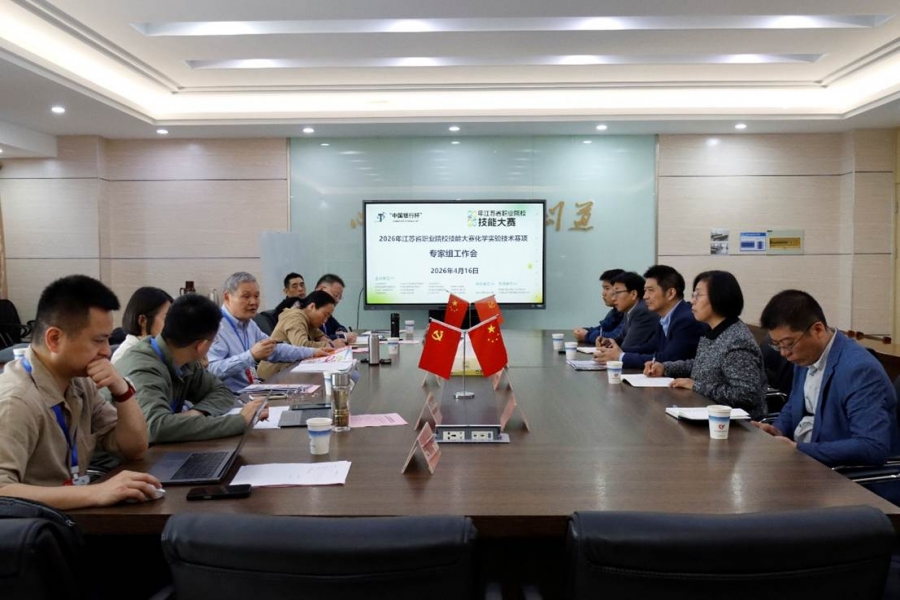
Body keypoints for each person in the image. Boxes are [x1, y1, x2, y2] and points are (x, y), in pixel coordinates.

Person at [0, 275, 159, 509]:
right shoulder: (16, 401)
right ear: (54, 339)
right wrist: (95, 492)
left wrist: (122, 392)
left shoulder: (80, 382)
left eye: (108, 339)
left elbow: (134, 449)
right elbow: (2, 492)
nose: (107, 351)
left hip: (70, 518)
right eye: (98, 341)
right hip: (35, 527)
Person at [752, 290, 900, 467]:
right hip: (805, 461)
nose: (784, 353)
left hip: (842, 473)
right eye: (778, 346)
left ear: (818, 330)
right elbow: (795, 405)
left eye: (788, 344)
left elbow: (872, 446)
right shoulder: (806, 355)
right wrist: (778, 430)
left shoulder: (860, 370)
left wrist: (799, 449)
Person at [116, 294, 267, 443]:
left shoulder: (185, 358)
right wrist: (239, 422)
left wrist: (195, 413)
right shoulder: (143, 366)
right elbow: (155, 428)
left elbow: (222, 392)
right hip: (122, 457)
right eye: (213, 340)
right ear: (200, 346)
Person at [646, 271, 767, 419]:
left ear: (719, 297)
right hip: (705, 411)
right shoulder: (714, 330)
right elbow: (702, 364)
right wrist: (665, 368)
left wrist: (696, 386)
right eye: (693, 295)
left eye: (698, 295)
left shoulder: (737, 341)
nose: (692, 301)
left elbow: (745, 395)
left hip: (734, 424)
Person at [208, 272, 327, 393]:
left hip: (252, 391)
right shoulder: (213, 326)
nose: (253, 302)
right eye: (246, 296)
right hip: (230, 398)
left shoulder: (249, 324)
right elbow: (211, 370)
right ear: (227, 297)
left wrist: (313, 352)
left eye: (256, 296)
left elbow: (274, 349)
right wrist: (251, 356)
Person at [615, 265, 707, 369]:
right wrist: (616, 351)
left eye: (650, 290)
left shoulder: (686, 320)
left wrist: (621, 357)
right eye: (645, 291)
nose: (645, 296)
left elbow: (669, 359)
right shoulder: (665, 318)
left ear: (670, 293)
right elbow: (650, 347)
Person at [258, 290, 343, 379]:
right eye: (325, 315)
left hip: (289, 371)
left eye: (328, 317)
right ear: (312, 306)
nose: (325, 320)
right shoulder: (295, 317)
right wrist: (331, 345)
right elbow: (301, 345)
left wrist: (325, 339)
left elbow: (319, 335)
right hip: (273, 376)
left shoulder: (309, 321)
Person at [593, 271, 659, 363]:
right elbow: (623, 336)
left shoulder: (642, 311)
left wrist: (611, 350)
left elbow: (629, 346)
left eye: (617, 293)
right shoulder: (629, 309)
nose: (613, 298)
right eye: (613, 294)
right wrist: (609, 342)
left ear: (633, 294)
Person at [111, 287, 173, 364]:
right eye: (167, 318)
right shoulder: (124, 356)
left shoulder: (158, 350)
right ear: (142, 321)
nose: (172, 324)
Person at [573, 268, 624, 344]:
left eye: (607, 288)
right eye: (603, 288)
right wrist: (585, 330)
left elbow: (615, 336)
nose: (603, 293)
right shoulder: (616, 310)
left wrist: (587, 335)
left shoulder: (632, 312)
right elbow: (603, 328)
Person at [314, 273, 358, 343]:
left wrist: (341, 331)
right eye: (335, 295)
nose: (337, 300)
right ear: (321, 289)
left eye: (339, 297)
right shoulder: (310, 311)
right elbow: (318, 339)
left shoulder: (328, 313)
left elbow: (339, 327)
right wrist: (344, 336)